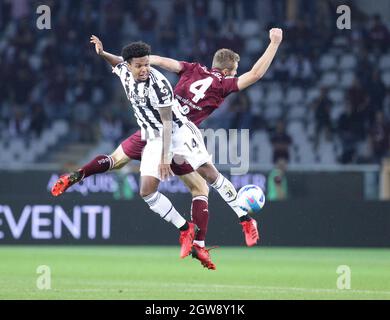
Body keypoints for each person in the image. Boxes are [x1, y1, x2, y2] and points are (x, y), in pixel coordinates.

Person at [52, 29, 283, 269]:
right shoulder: (223, 83)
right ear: (227, 71)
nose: (144, 68)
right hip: (165, 131)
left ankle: (205, 235)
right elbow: (255, 74)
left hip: (165, 129)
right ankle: (230, 226)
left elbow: (159, 62)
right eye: (139, 64)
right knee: (204, 181)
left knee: (116, 160)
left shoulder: (189, 68)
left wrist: (122, 57)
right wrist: (274, 43)